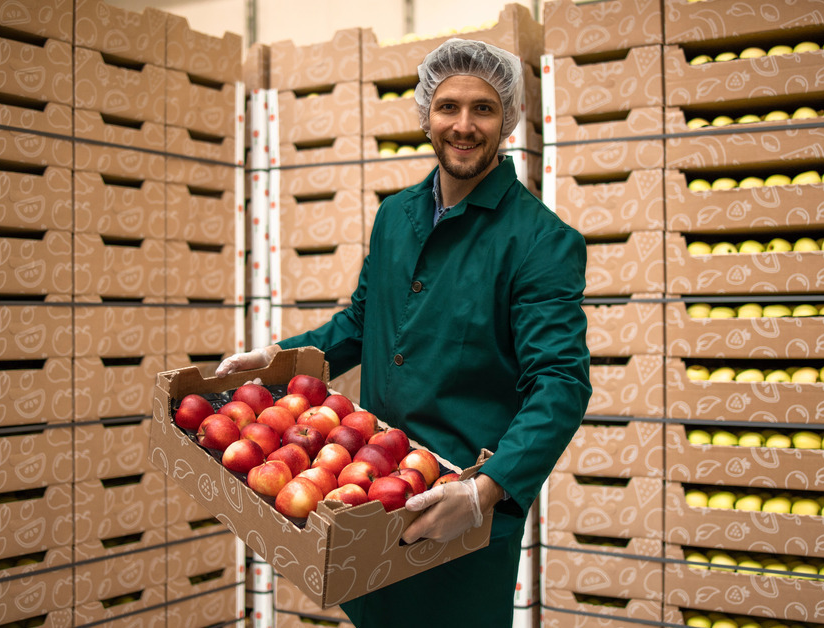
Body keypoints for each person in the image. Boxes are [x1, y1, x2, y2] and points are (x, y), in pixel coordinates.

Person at [216, 38, 591, 627]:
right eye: (448, 107)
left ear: (508, 119)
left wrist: (485, 490)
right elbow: (362, 321)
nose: (463, 126)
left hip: (457, 510)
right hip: (367, 491)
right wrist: (278, 357)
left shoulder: (540, 240)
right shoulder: (396, 215)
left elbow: (560, 383)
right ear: (426, 114)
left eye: (483, 109)